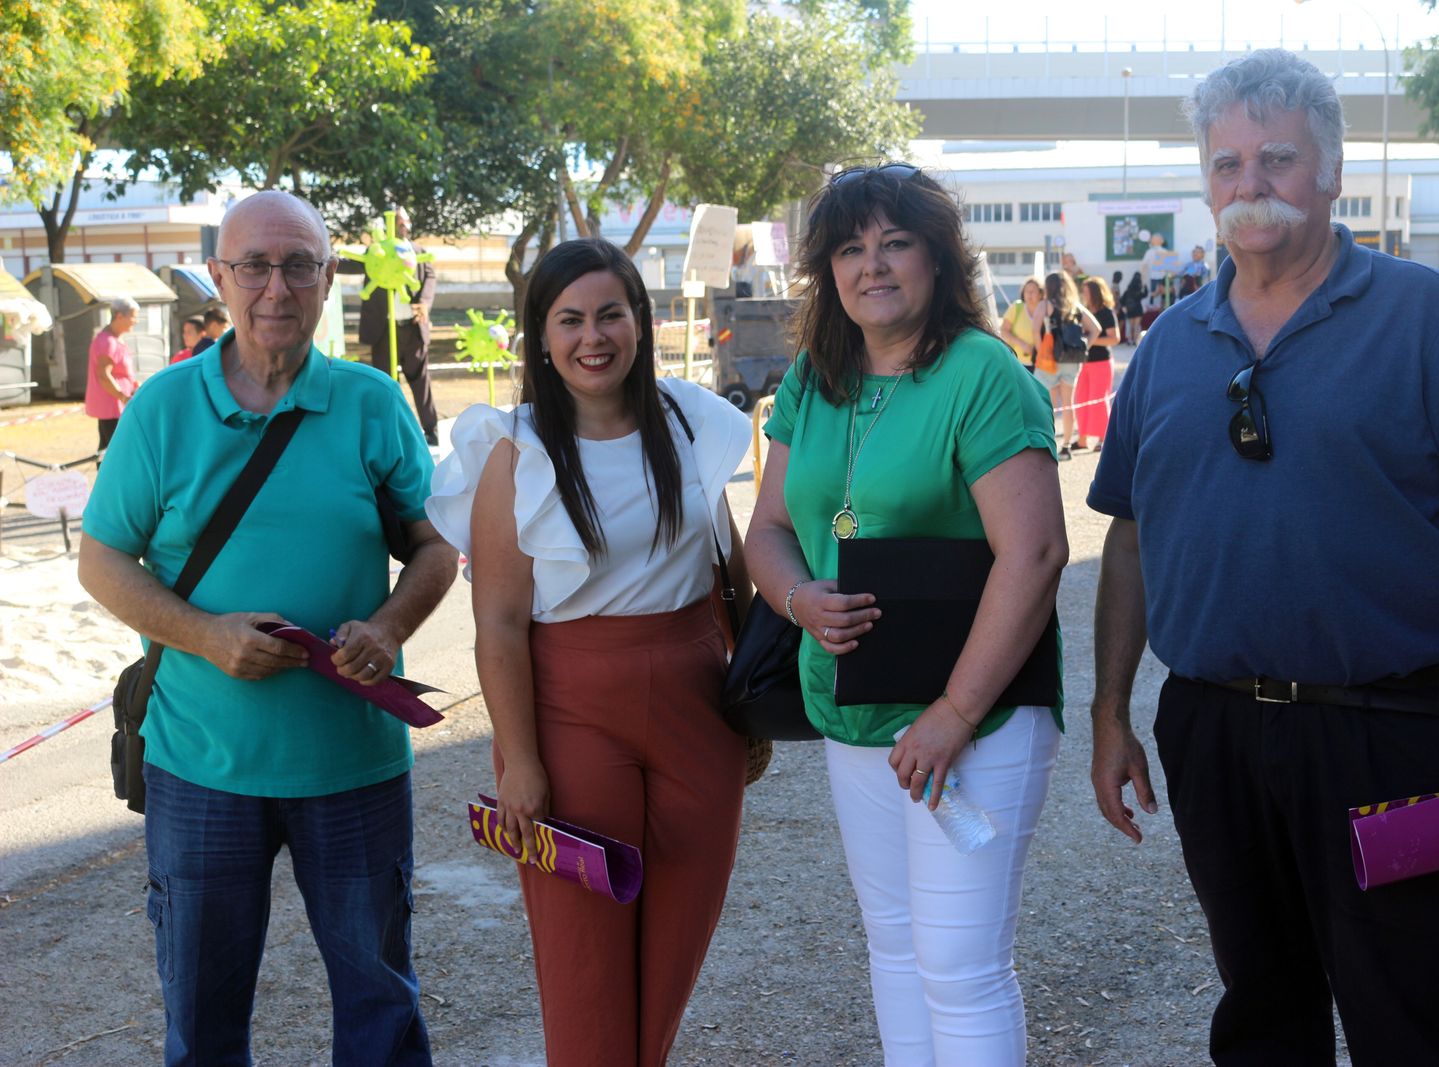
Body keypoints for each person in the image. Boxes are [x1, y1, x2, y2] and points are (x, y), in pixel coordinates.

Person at [1086, 49, 1439, 1066]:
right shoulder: (1168, 343)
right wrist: (1109, 708)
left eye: (1277, 157)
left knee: (1410, 1016)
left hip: (1387, 732)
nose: (1249, 183)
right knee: (1260, 1012)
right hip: (1210, 730)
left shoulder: (1424, 316)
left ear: (1332, 171)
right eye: (1226, 163)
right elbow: (1128, 530)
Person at [77, 190, 457, 1066]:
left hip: (352, 764)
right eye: (254, 265)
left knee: (380, 1011)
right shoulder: (162, 409)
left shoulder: (371, 402)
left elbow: (437, 550)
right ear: (220, 277)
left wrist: (391, 625)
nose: (275, 287)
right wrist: (206, 635)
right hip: (200, 766)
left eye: (298, 265)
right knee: (203, 1021)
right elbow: (102, 562)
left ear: (328, 277)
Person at [744, 163, 1069, 1066]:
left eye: (895, 243)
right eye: (850, 248)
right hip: (855, 708)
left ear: (938, 257)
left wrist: (954, 716)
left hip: (977, 715)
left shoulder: (982, 373)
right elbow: (767, 528)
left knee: (960, 963)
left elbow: (1037, 552)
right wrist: (799, 599)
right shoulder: (816, 375)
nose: (872, 266)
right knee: (894, 947)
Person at [425, 237, 752, 1067]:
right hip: (569, 719)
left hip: (696, 712)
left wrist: (756, 705)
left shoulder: (690, 422)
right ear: (541, 335)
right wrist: (521, 762)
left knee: (669, 969)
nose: (591, 335)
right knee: (586, 979)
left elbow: (733, 570)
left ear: (640, 321)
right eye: (568, 319)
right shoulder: (516, 450)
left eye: (610, 312)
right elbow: (497, 623)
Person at [352, 207, 440, 445]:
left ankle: (431, 431)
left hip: (412, 328)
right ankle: (389, 436)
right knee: (384, 384)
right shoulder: (376, 252)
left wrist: (424, 303)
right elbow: (353, 263)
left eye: (406, 221)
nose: (403, 224)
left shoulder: (418, 251)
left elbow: (430, 277)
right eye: (399, 221)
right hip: (383, 330)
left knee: (421, 381)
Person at [1036, 270, 1101, 447]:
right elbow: (1096, 328)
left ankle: (1049, 441)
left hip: (1050, 360)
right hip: (1072, 360)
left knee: (1048, 404)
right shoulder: (1076, 307)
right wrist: (1084, 347)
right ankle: (1065, 445)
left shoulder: (1045, 305)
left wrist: (1040, 354)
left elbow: (1036, 333)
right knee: (1068, 403)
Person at [85, 295, 139, 451]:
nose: (135, 321)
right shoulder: (107, 341)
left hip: (116, 406)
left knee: (107, 448)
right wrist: (123, 396)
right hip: (112, 407)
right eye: (133, 317)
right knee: (115, 449)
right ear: (119, 316)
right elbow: (104, 375)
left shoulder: (115, 339)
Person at [1071, 276, 1119, 451]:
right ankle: (1082, 439)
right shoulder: (1081, 312)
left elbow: (1115, 338)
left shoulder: (1106, 312)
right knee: (1081, 399)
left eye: (1086, 291)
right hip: (1082, 361)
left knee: (1099, 400)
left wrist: (1089, 340)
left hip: (1101, 362)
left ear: (1095, 292)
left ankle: (1102, 439)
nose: (1083, 294)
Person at [999, 274, 1044, 366]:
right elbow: (1003, 331)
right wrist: (1022, 344)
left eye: (1033, 291)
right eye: (1027, 291)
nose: (1029, 294)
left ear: (1040, 294)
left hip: (1040, 363)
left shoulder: (1045, 310)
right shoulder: (1017, 308)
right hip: (1017, 362)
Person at [1118, 271, 1146, 346]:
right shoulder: (1139, 291)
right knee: (1136, 326)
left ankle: (1130, 340)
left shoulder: (1128, 291)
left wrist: (1124, 307)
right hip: (1138, 309)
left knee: (1131, 326)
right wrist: (1144, 285)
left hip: (1130, 310)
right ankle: (1135, 340)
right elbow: (1145, 295)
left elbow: (1121, 300)